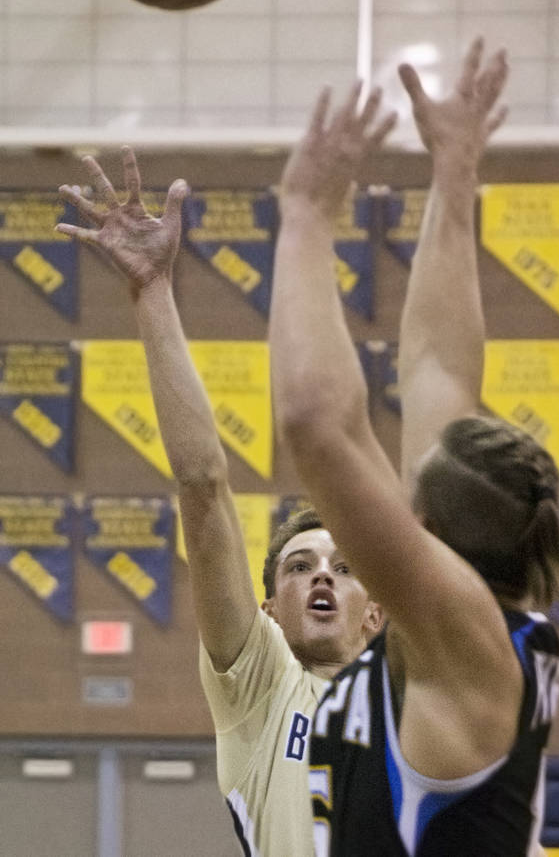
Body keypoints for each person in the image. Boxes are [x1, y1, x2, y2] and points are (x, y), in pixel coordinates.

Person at [54, 106, 392, 856]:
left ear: (377, 614)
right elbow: (204, 486)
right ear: (269, 609)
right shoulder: (262, 687)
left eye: (342, 567)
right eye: (300, 567)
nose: (322, 577)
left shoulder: (414, 697)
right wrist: (151, 294)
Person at [269, 38, 559, 856]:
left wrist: (303, 217)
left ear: (425, 528)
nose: (393, 491)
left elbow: (314, 423)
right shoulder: (473, 620)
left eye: (408, 493)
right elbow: (437, 366)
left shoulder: (457, 634)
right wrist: (455, 172)